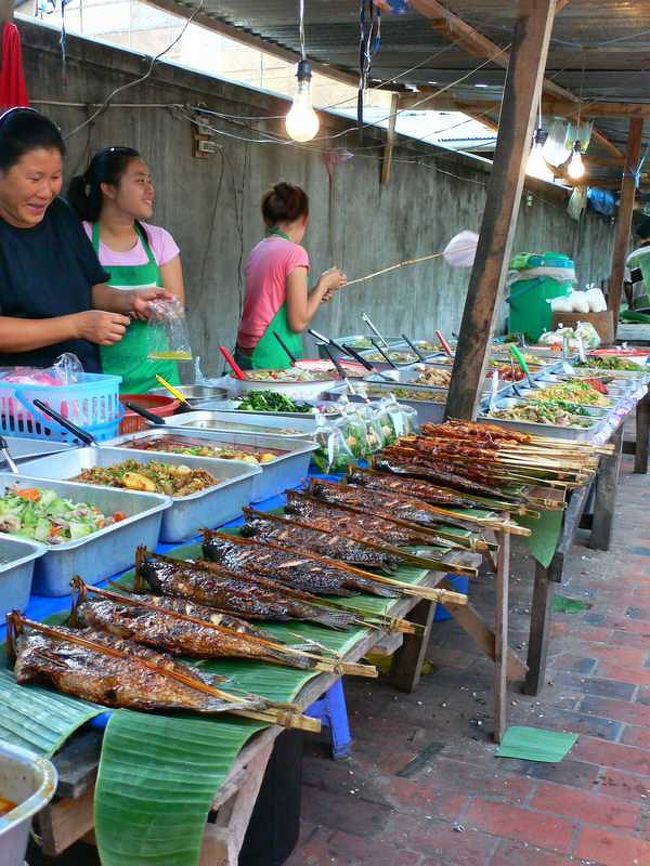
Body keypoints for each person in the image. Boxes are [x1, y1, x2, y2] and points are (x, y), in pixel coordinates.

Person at [0, 108, 160, 372]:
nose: (46, 191)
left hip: (79, 388)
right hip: (16, 398)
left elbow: (90, 289)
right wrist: (76, 325)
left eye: (55, 177)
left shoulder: (60, 215)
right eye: (34, 178)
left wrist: (130, 300)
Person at [68, 147, 185, 393]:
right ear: (108, 188)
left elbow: (177, 307)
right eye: (140, 181)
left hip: (160, 381)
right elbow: (72, 300)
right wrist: (129, 304)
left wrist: (159, 308)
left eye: (150, 181)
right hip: (98, 384)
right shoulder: (80, 237)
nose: (150, 189)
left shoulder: (159, 240)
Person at [235, 182, 347, 370]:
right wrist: (323, 283)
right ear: (305, 219)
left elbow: (274, 302)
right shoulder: (295, 253)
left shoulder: (259, 249)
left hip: (246, 351)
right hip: (271, 352)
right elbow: (298, 322)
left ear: (268, 219)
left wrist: (316, 295)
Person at [624, 218, 650, 311]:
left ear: (639, 238)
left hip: (641, 309)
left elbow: (627, 284)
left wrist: (631, 305)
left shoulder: (632, 257)